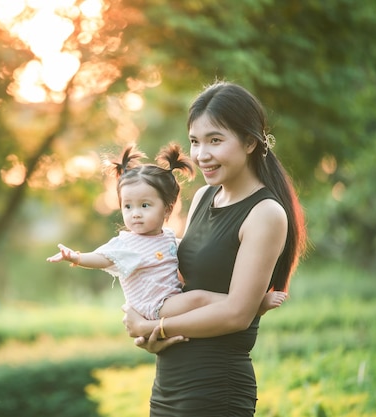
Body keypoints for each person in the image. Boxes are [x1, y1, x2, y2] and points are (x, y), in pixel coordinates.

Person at [122, 81, 307, 416]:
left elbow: (237, 314)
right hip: (170, 383)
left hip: (214, 388)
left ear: (250, 141)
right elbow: (177, 284)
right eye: (195, 141)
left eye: (215, 140)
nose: (201, 154)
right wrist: (144, 319)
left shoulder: (265, 213)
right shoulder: (205, 197)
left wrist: (154, 328)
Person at [47, 143, 287, 322]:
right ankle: (254, 305)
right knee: (199, 299)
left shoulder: (169, 238)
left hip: (171, 300)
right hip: (155, 306)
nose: (135, 214)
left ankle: (244, 304)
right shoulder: (127, 244)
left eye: (145, 205)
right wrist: (76, 257)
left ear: (168, 208)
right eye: (127, 206)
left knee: (198, 300)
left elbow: (188, 251)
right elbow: (103, 258)